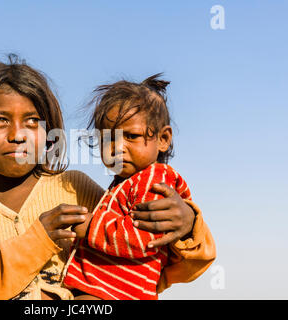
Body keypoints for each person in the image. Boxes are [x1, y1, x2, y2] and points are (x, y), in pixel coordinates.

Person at [0, 56, 216, 300]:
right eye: (0, 120)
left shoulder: (76, 189)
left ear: (49, 137)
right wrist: (37, 242)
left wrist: (189, 226)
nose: (17, 135)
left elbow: (150, 269)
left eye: (32, 121)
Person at [62, 74, 207, 300]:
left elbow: (142, 238)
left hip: (116, 294)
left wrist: (91, 227)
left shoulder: (154, 180)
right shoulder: (128, 182)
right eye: (108, 138)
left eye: (131, 136)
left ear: (163, 139)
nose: (117, 147)